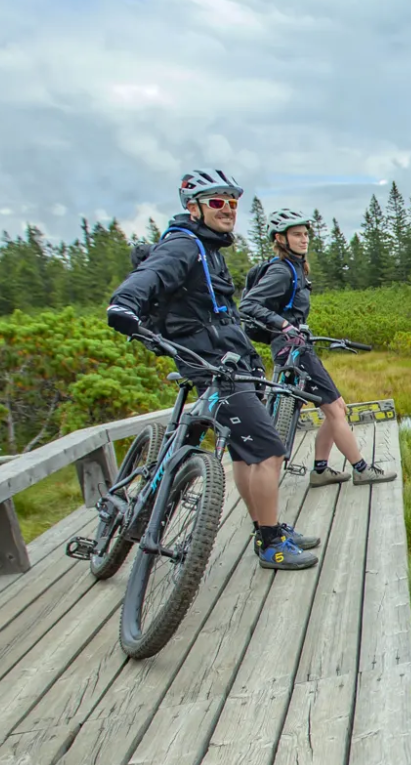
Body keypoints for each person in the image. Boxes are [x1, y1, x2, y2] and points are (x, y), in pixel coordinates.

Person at [104, 169, 320, 571]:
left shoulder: (208, 248)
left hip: (229, 360)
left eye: (233, 203)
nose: (228, 210)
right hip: (212, 366)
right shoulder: (184, 245)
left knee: (244, 453)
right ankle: (270, 543)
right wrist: (124, 305)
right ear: (194, 207)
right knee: (270, 451)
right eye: (218, 202)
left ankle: (265, 526)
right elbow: (148, 277)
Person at [239, 208, 396, 488]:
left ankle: (321, 470)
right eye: (297, 235)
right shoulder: (281, 270)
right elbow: (249, 305)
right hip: (293, 350)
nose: (304, 239)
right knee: (336, 409)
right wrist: (284, 326)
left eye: (306, 234)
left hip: (297, 347)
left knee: (336, 407)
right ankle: (361, 469)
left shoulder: (296, 268)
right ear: (280, 238)